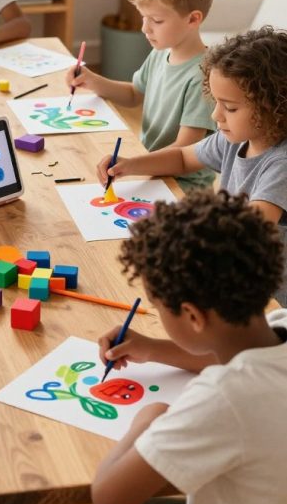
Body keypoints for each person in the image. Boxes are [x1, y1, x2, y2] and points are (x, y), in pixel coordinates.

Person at [28, 189, 287, 504]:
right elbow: (228, 357)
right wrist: (155, 348)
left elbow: (108, 495)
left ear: (191, 314)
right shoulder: (277, 324)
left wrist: (145, 421)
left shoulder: (225, 398)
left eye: (158, 309)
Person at [97, 26, 287, 305]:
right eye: (216, 102)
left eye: (230, 108)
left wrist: (182, 230)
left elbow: (249, 231)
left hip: (270, 300)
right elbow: (184, 158)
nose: (215, 115)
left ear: (274, 107)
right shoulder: (236, 139)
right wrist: (130, 164)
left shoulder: (281, 164)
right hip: (235, 275)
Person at [67, 0, 216, 190]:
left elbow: (185, 152)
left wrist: (133, 165)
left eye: (156, 20)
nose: (144, 28)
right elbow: (134, 93)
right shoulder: (161, 53)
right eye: (144, 18)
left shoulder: (204, 76)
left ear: (193, 19)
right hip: (151, 170)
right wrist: (92, 80)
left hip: (183, 187)